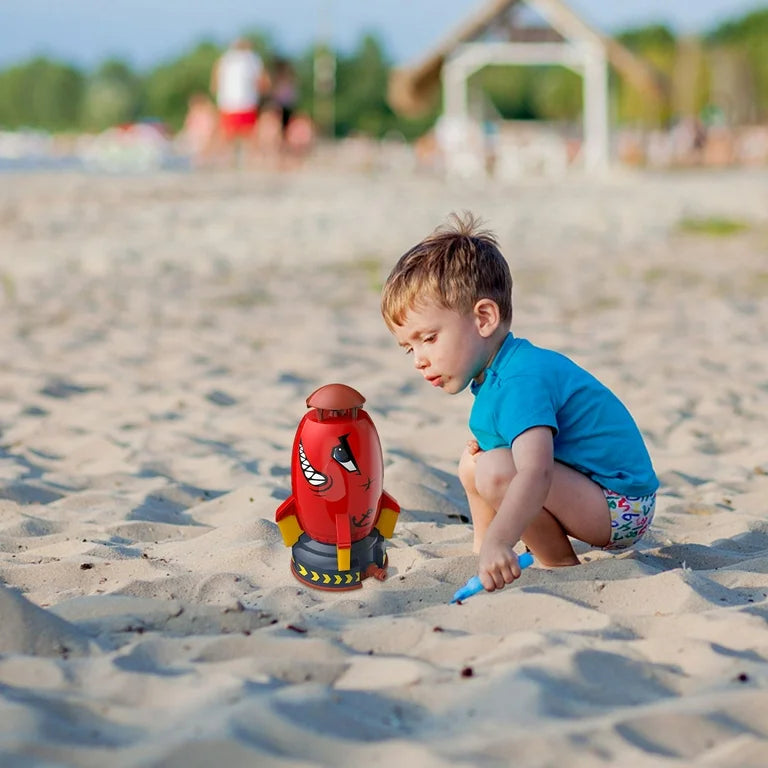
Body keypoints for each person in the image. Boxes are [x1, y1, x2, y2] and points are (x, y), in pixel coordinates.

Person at [381, 212, 658, 593]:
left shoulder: (520, 379)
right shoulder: (497, 371)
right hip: (593, 491)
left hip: (623, 506)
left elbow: (536, 473)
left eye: (428, 338)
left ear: (484, 318)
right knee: (474, 460)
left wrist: (502, 539)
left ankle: (558, 563)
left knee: (496, 470)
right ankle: (483, 549)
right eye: (408, 348)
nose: (418, 359)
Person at [210, 38, 270, 166]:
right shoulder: (252, 58)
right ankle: (253, 159)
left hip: (227, 102)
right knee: (250, 133)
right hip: (246, 101)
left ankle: (222, 159)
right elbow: (262, 81)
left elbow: (214, 83)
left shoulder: (224, 59)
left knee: (226, 133)